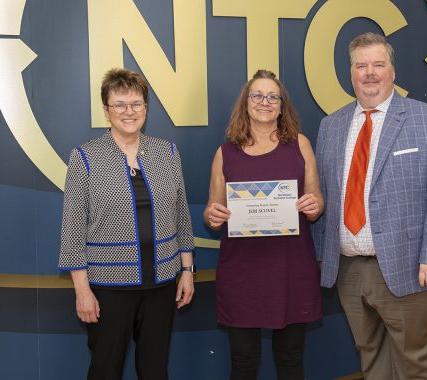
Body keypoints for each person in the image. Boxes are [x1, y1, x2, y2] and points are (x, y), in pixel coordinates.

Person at [312, 32, 427, 379]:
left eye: (378, 64)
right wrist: (321, 256)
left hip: (408, 265)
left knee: (413, 360)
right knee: (370, 356)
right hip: (348, 269)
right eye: (361, 66)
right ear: (351, 75)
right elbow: (325, 195)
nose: (370, 73)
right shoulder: (330, 126)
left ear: (392, 71)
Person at [58, 68, 195, 380]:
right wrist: (82, 291)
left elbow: (182, 216)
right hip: (108, 288)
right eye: (119, 104)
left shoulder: (167, 152)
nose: (128, 112)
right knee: (105, 369)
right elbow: (72, 231)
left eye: (136, 104)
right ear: (106, 111)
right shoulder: (85, 157)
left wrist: (187, 271)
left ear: (146, 108)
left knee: (155, 369)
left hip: (162, 284)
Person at [204, 69, 324, 380]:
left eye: (273, 97)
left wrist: (314, 206)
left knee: (290, 359)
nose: (265, 102)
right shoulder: (225, 152)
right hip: (242, 273)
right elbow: (211, 212)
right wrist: (213, 216)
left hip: (291, 268)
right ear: (246, 103)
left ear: (282, 106)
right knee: (243, 362)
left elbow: (317, 202)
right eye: (258, 95)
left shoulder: (300, 144)